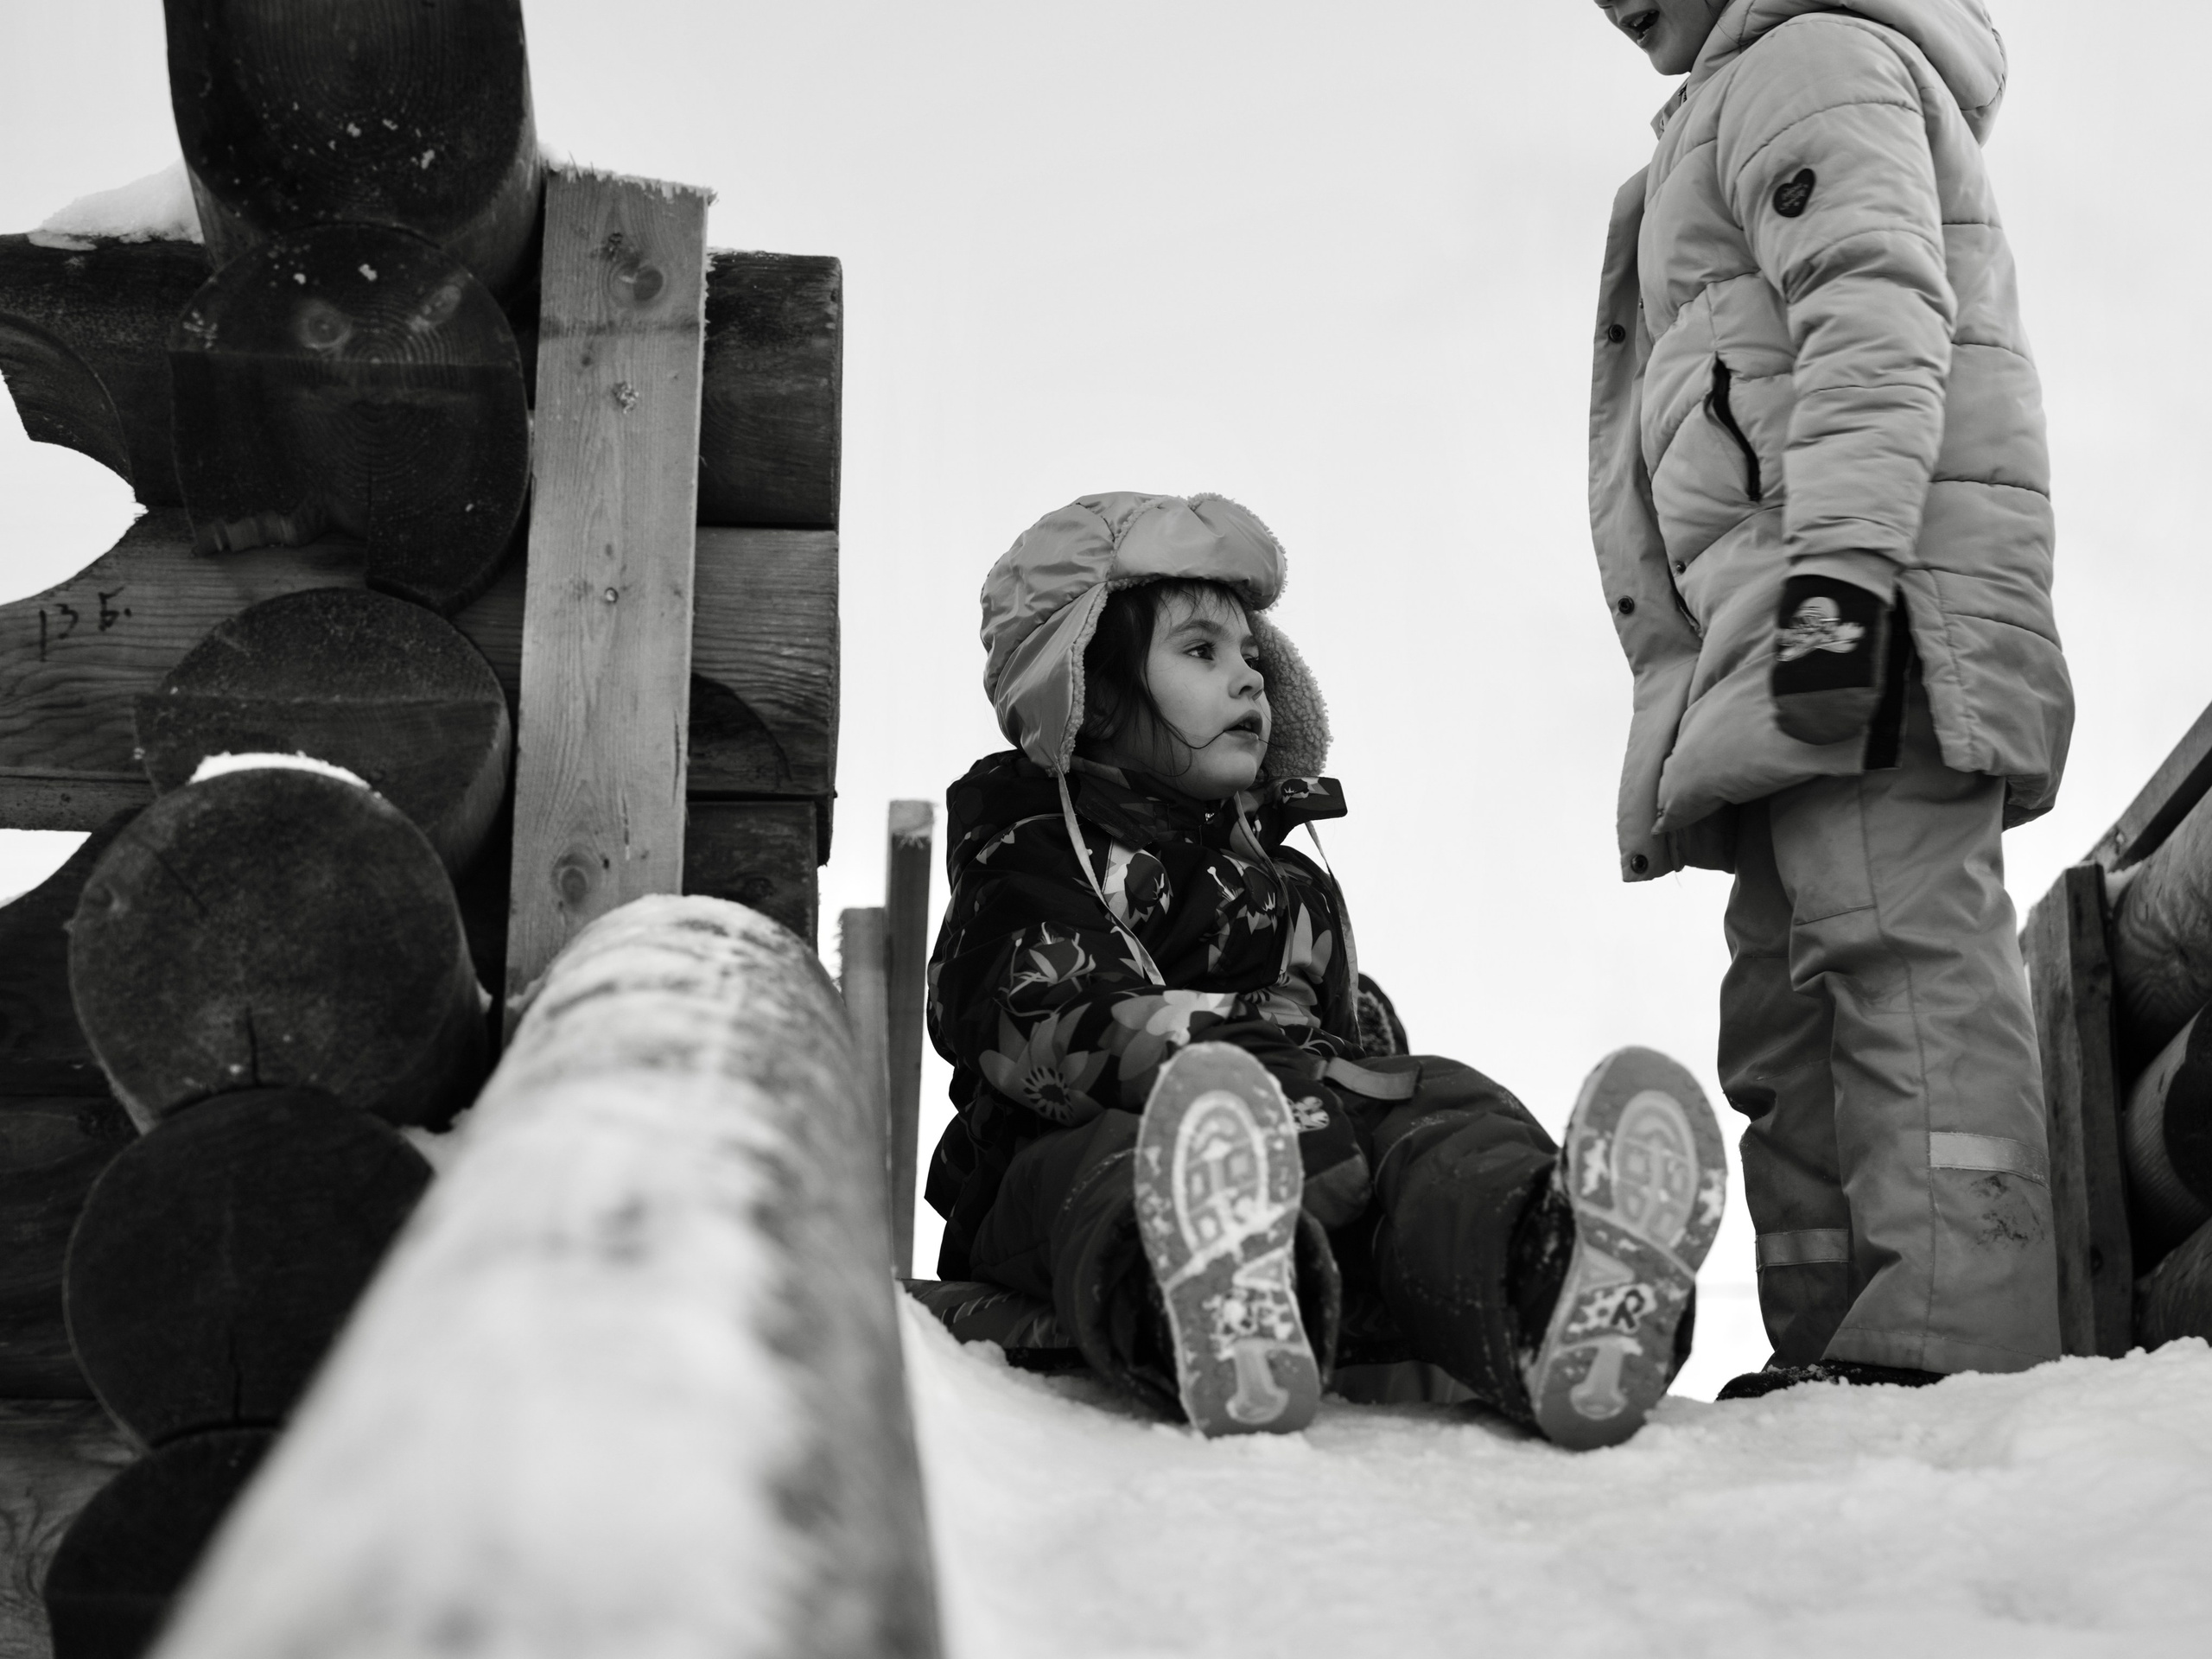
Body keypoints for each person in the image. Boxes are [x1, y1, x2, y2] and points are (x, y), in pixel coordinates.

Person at [918, 490, 1726, 1446]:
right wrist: (1246, 1066)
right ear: (1083, 694)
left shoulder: (1287, 882)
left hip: (1289, 1144)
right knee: (1135, 1158)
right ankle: (1208, 1302)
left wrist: (1366, 1097)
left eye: (1254, 659)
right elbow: (1041, 1016)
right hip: (1059, 1176)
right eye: (1200, 653)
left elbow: (1339, 1041)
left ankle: (1550, 1281)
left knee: (1437, 1109)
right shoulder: (1039, 849)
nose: (1248, 682)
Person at [1581, 0, 2072, 1392]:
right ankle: (1828, 1344)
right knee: (1784, 1011)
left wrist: (1844, 574)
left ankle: (1944, 1350)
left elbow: (1873, 308)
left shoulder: (1808, 61)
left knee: (1897, 957)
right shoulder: (1723, 109)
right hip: (1772, 626)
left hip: (1865, 603)